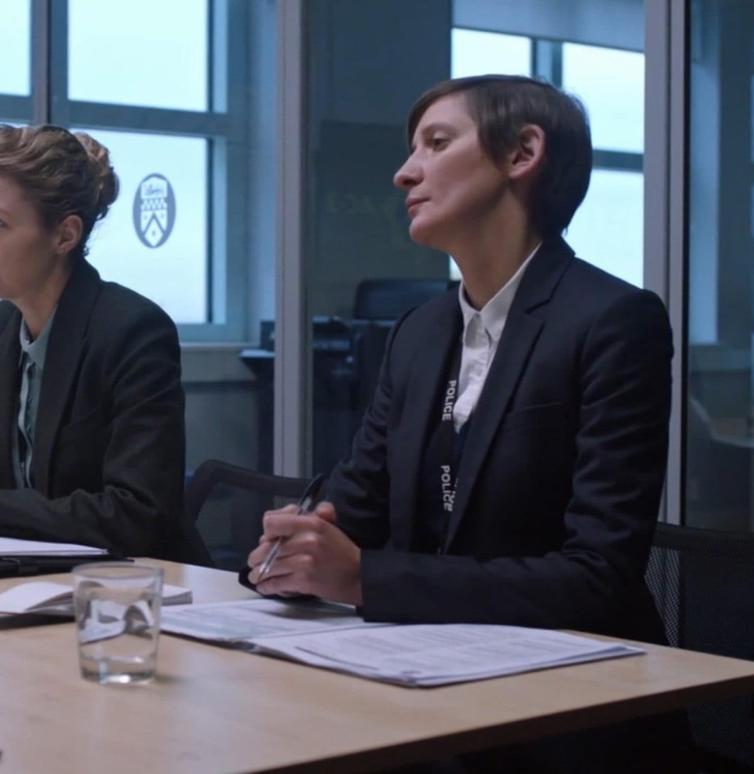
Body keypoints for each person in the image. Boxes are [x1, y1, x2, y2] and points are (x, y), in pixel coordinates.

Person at [246, 73, 685, 772]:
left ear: (522, 154)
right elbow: (354, 500)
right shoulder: (418, 331)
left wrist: (365, 578)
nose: (401, 172)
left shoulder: (610, 320)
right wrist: (299, 546)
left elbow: (598, 575)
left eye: (436, 143)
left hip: (569, 713)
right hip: (424, 683)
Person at [0, 124, 206, 563]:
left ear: (64, 235)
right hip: (22, 578)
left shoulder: (132, 330)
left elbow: (138, 515)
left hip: (134, 590)